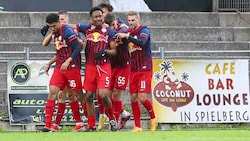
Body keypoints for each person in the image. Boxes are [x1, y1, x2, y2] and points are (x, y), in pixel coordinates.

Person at [42, 11, 88, 132]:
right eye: (50, 26)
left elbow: (78, 48)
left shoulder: (68, 31)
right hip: (59, 68)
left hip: (72, 67)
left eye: (54, 25)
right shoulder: (55, 33)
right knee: (53, 92)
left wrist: (68, 61)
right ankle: (47, 125)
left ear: (60, 22)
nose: (52, 28)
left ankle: (90, 122)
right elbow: (55, 50)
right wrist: (49, 64)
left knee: (77, 94)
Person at [75, 7, 118, 132]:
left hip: (104, 66)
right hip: (90, 66)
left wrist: (105, 52)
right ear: (91, 19)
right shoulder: (86, 28)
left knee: (103, 95)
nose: (98, 18)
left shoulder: (108, 31)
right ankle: (91, 125)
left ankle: (112, 119)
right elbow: (71, 27)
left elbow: (114, 51)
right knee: (88, 96)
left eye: (100, 16)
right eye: (96, 17)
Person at [115, 11, 158, 132]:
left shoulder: (144, 30)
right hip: (133, 69)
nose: (131, 23)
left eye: (133, 20)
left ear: (138, 19)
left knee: (142, 97)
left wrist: (127, 37)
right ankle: (138, 126)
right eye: (129, 20)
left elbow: (142, 43)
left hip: (145, 68)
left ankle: (153, 118)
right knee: (133, 97)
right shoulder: (128, 32)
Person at [97, 3, 131, 131]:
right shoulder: (104, 30)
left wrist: (110, 31)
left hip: (123, 65)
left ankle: (115, 123)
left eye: (113, 25)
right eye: (109, 26)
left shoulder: (122, 27)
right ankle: (124, 114)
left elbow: (123, 33)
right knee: (107, 95)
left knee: (117, 94)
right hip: (111, 66)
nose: (112, 28)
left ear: (115, 21)